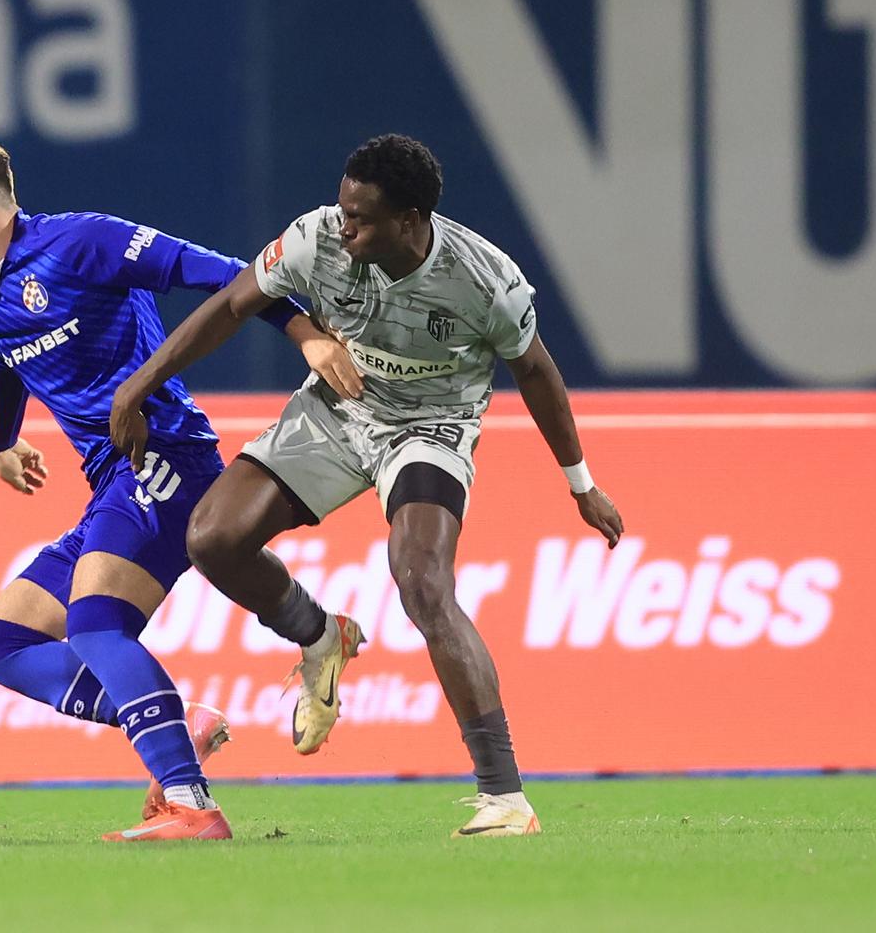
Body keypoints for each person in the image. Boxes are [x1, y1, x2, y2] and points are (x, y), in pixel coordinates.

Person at [111, 133, 625, 837]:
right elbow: (231, 307)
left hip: (431, 425)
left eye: (362, 217)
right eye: (342, 208)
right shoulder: (313, 238)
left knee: (421, 581)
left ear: (411, 220)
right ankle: (319, 636)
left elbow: (535, 372)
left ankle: (505, 797)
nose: (342, 224)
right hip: (335, 411)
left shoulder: (484, 279)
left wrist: (580, 482)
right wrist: (139, 386)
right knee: (213, 538)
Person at [0, 125, 356, 842]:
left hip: (164, 455)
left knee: (96, 625)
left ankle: (191, 803)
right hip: (110, 481)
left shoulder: (82, 243)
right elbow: (7, 357)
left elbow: (225, 272)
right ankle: (177, 727)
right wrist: (1, 439)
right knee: (0, 640)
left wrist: (307, 335)